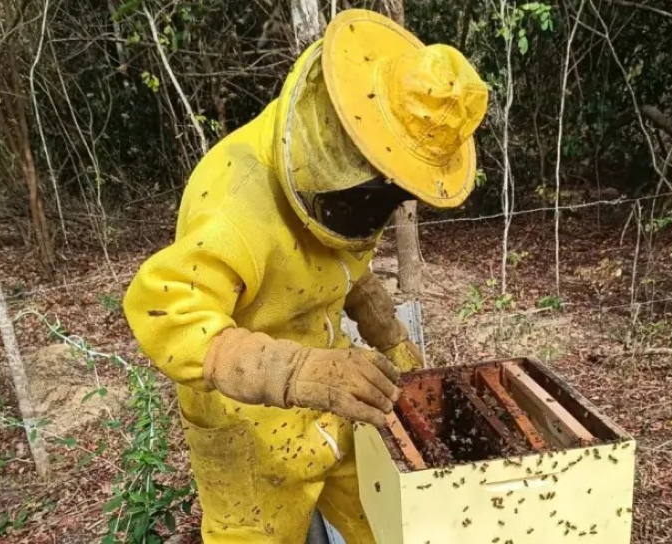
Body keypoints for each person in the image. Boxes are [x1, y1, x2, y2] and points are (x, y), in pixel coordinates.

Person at [122, 8, 487, 543]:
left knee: (392, 526)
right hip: (247, 432)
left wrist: (391, 340)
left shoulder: (350, 187)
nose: (384, 209)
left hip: (334, 408)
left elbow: (342, 265)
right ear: (344, 145)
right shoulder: (234, 199)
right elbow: (167, 315)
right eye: (381, 192)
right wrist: (297, 374)